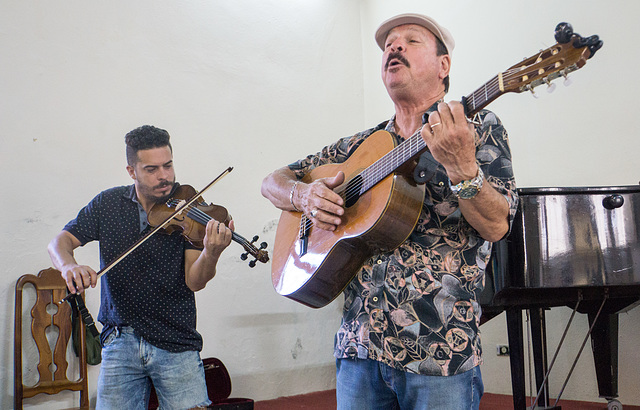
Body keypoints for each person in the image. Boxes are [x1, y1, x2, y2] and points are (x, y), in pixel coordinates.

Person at [261, 13, 518, 410]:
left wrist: (463, 169)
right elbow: (272, 181)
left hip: (438, 353)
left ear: (443, 65)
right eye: (388, 45)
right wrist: (303, 195)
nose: (394, 48)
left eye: (410, 41)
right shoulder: (362, 145)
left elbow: (497, 225)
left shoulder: (477, 127)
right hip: (359, 348)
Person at [48, 125, 233, 409]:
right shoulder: (108, 203)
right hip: (120, 338)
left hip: (175, 338)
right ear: (131, 170)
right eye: (152, 169)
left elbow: (195, 281)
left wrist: (211, 252)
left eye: (168, 165)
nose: (165, 176)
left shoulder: (188, 209)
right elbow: (60, 242)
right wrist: (69, 266)